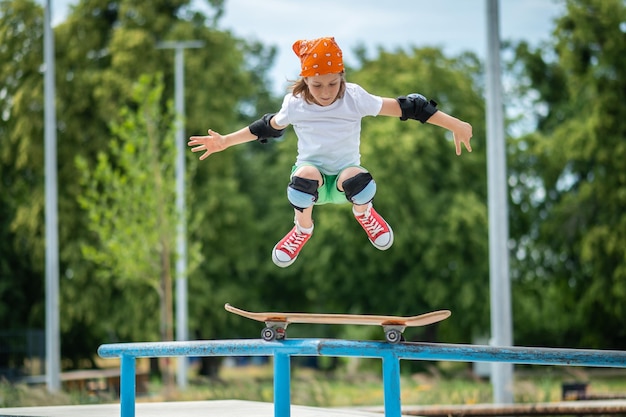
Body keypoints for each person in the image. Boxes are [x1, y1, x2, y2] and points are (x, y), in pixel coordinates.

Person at [188, 37, 473, 268]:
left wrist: (455, 124)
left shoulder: (355, 98)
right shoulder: (295, 103)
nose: (325, 92)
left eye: (333, 83)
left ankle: (364, 213)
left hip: (343, 181)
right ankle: (302, 229)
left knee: (358, 180)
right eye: (317, 85)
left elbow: (410, 106)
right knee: (305, 176)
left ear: (342, 77)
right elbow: (267, 127)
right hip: (310, 182)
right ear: (305, 81)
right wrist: (225, 141)